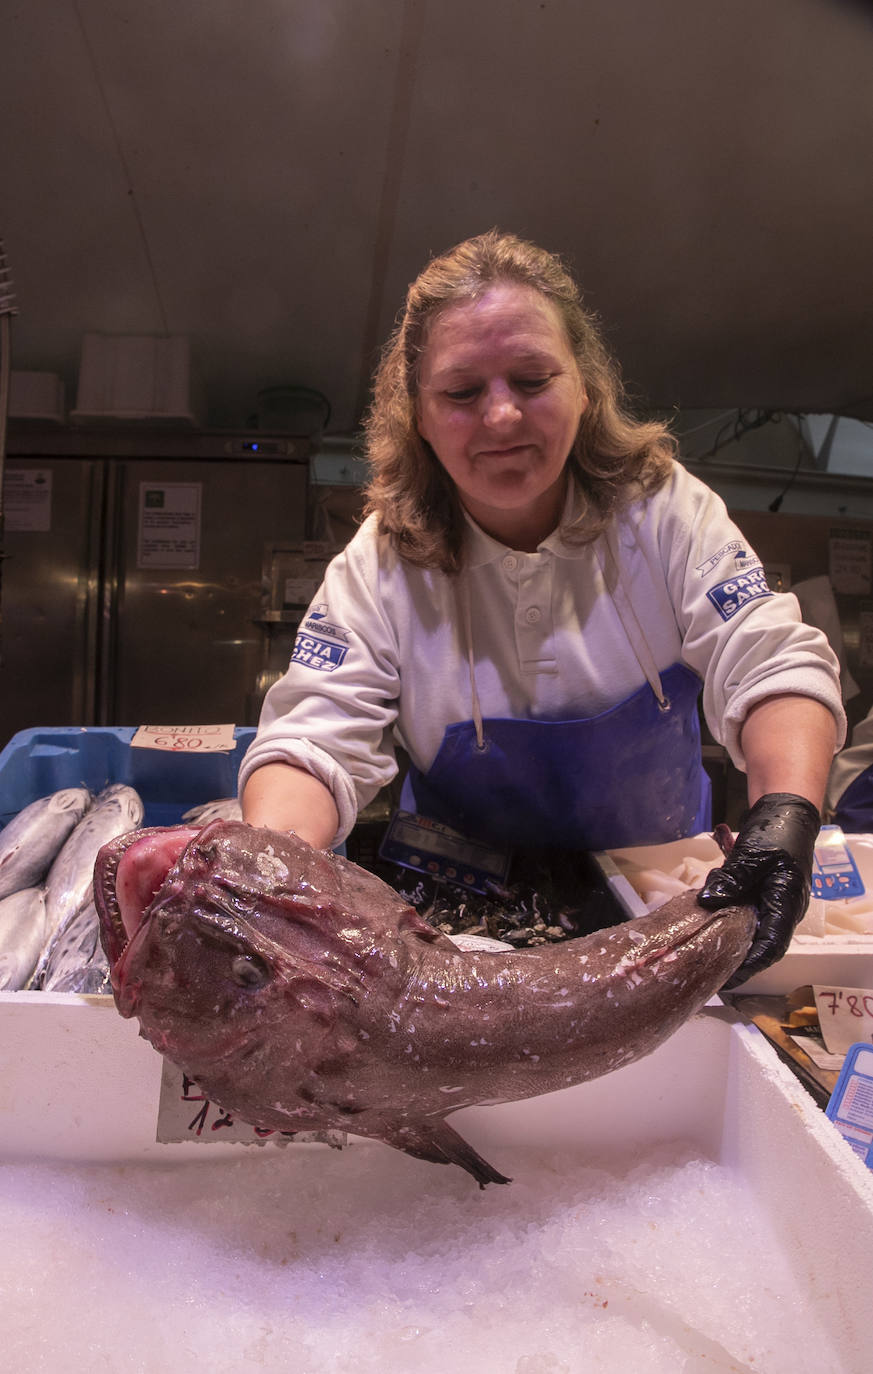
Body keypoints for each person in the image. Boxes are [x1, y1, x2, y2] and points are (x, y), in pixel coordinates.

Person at [240, 229, 846, 986]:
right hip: (456, 931)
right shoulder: (380, 563)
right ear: (418, 415)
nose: (500, 419)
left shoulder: (663, 513)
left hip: (660, 910)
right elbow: (311, 742)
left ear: (583, 387)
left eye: (531, 380)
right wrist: (262, 883)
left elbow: (771, 659)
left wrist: (787, 813)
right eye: (461, 393)